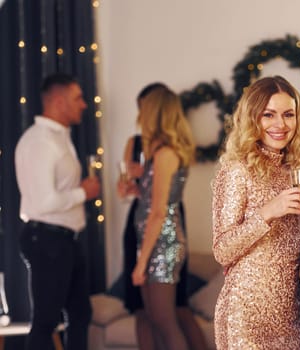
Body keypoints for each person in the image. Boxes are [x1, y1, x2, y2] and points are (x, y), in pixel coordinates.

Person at [212, 75, 300, 349]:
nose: (280, 124)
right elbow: (222, 250)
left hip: (290, 314)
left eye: (288, 114)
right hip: (245, 317)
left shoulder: (298, 171)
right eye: (269, 114)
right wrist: (268, 212)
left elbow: (293, 252)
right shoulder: (237, 170)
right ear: (253, 118)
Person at [117, 82, 207, 350]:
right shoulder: (158, 153)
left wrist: (141, 262)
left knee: (166, 323)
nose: (139, 114)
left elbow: (158, 212)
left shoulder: (166, 154)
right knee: (157, 322)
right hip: (154, 242)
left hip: (162, 245)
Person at [15, 73, 101, 350]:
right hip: (47, 240)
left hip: (64, 240)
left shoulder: (60, 137)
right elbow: (43, 203)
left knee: (80, 314)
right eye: (78, 98)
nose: (84, 104)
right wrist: (83, 193)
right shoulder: (40, 141)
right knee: (45, 321)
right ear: (59, 101)